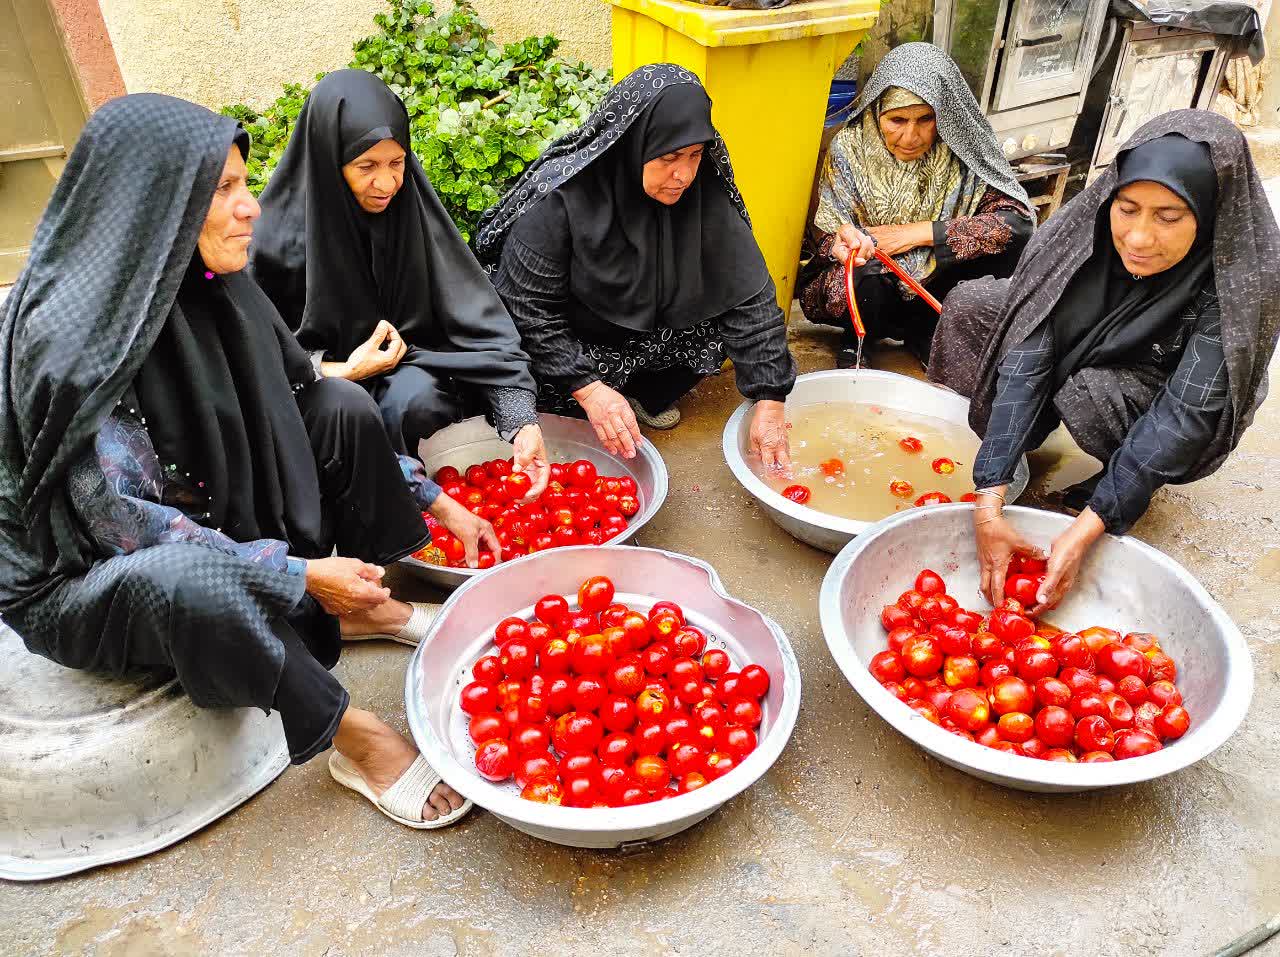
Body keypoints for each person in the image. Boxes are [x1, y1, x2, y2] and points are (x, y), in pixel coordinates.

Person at [0, 94, 473, 829]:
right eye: (222, 190)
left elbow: (301, 392)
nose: (250, 207)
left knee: (340, 409)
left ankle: (356, 607)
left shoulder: (216, 281)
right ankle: (353, 738)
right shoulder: (72, 347)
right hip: (81, 575)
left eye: (242, 183)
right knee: (188, 577)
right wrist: (296, 572)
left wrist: (431, 497)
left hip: (191, 501)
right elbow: (130, 529)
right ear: (154, 204)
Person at [927, 109, 1280, 613]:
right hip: (1091, 338)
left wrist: (1089, 527)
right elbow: (1032, 346)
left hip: (1161, 378)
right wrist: (990, 496)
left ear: (1209, 211)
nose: (1138, 238)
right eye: (1128, 208)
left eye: (1169, 217)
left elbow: (1184, 415)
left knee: (1092, 392)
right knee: (976, 307)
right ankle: (1001, 449)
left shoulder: (1243, 278)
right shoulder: (1078, 236)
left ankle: (1114, 485)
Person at [476, 63, 797, 469]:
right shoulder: (562, 200)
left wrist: (770, 400)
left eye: (696, 155)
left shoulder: (702, 194)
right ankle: (589, 402)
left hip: (643, 337)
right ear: (633, 143)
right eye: (669, 157)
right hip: (573, 338)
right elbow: (524, 309)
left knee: (723, 324)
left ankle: (640, 395)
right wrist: (589, 390)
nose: (683, 175)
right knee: (523, 368)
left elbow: (750, 301)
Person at [252, 70, 550, 500]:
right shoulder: (271, 242)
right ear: (326, 160)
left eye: (397, 162)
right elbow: (255, 358)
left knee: (414, 399)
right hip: (310, 389)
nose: (388, 183)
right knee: (348, 409)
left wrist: (522, 421)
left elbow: (479, 325)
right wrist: (341, 370)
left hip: (403, 372)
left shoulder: (411, 214)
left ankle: (416, 499)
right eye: (366, 166)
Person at [800, 43, 1035, 367]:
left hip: (934, 283)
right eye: (896, 120)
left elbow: (1018, 225)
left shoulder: (963, 152)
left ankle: (927, 331)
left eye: (925, 119)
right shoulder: (849, 149)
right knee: (860, 276)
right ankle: (857, 338)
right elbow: (822, 236)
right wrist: (842, 245)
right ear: (876, 110)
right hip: (872, 284)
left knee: (1002, 247)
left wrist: (917, 234)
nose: (911, 136)